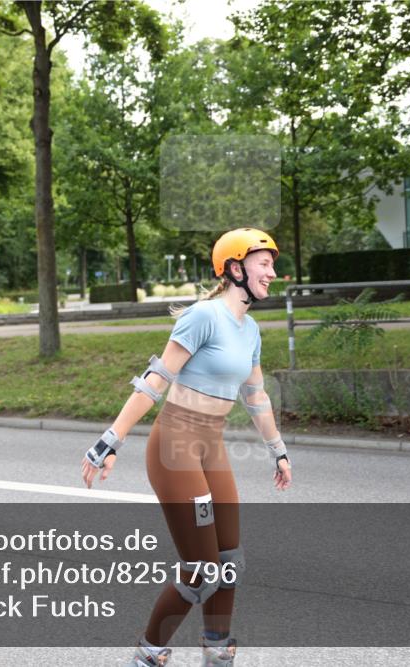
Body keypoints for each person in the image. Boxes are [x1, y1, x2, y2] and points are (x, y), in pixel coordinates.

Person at [81, 228, 293, 667]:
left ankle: (217, 653)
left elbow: (256, 397)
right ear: (235, 268)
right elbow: (155, 380)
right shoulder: (203, 316)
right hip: (174, 445)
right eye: (264, 263)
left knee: (230, 562)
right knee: (202, 571)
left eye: (272, 263)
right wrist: (111, 439)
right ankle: (149, 653)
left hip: (210, 445)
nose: (272, 272)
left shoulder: (250, 329)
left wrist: (279, 450)